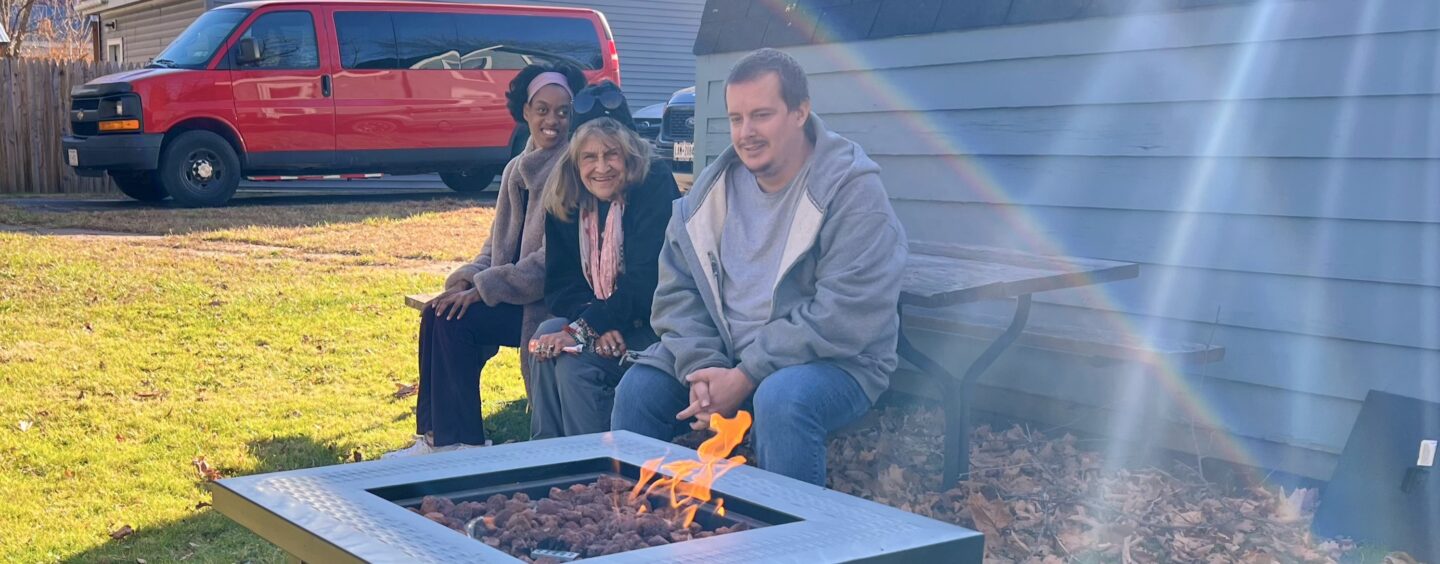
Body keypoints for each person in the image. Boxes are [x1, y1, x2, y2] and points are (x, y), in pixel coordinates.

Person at [611, 48, 908, 486]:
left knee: (782, 399)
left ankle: (796, 544)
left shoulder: (851, 191)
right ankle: (637, 532)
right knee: (638, 391)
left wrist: (746, 375)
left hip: (836, 362)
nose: (745, 133)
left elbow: (845, 314)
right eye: (736, 118)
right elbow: (676, 293)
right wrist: (704, 368)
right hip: (723, 356)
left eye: (761, 115)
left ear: (800, 112)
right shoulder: (711, 193)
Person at [386, 62, 588, 458]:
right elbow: (494, 246)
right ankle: (432, 438)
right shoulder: (517, 167)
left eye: (563, 111)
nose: (553, 120)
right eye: (542, 109)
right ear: (525, 112)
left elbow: (553, 263)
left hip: (544, 305)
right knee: (439, 312)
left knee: (458, 324)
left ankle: (460, 445)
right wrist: (466, 281)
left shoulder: (572, 169)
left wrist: (484, 290)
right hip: (507, 292)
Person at [527, 107, 681, 439]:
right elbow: (560, 283)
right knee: (545, 337)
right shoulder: (568, 194)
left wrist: (588, 328)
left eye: (612, 154)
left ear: (630, 154)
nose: (601, 167)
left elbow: (646, 284)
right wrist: (592, 323)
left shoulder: (652, 186)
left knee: (575, 363)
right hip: (605, 316)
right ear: (575, 161)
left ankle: (593, 473)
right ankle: (547, 461)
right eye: (589, 157)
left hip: (655, 324)